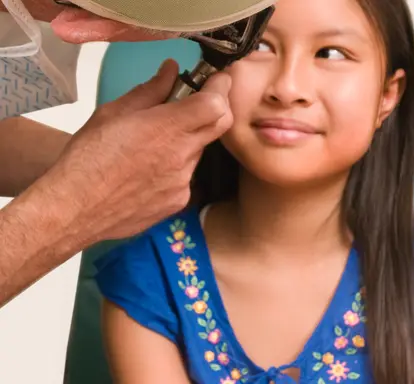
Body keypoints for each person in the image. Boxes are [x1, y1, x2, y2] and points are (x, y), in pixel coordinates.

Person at [93, 0, 414, 383]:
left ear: (387, 96)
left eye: (332, 54)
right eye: (260, 45)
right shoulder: (152, 276)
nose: (287, 89)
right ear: (215, 65)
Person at [0, 0, 248, 306]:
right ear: (79, 22)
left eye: (325, 54)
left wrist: (94, 167)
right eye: (267, 49)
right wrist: (74, 204)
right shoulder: (157, 276)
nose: (289, 90)